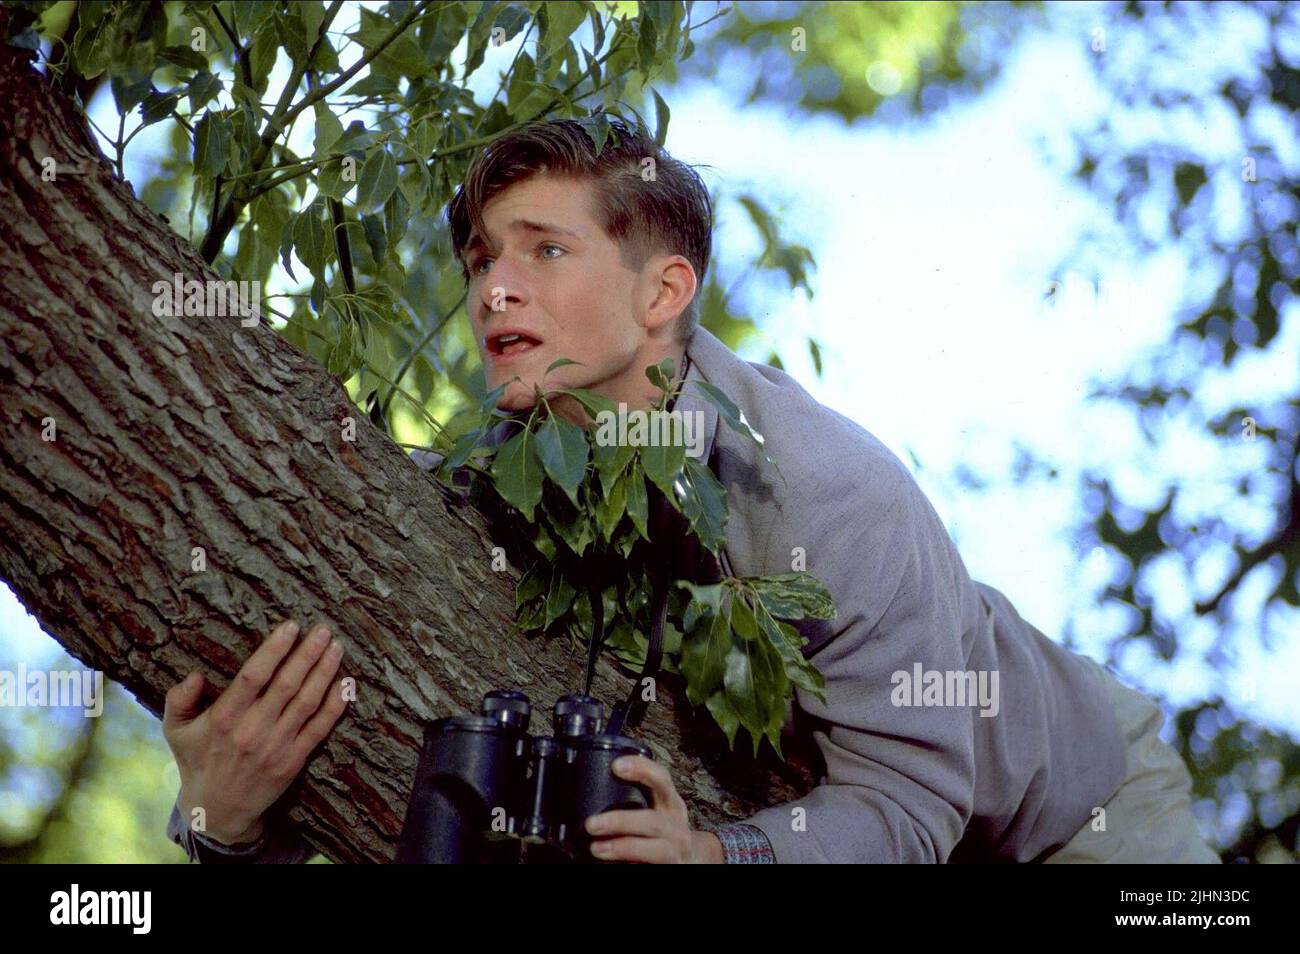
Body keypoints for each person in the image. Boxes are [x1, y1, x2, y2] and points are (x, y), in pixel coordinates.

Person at [164, 117, 1219, 864]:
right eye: (482, 258)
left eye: (545, 249)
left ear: (663, 290)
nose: (493, 287)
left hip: (1069, 822)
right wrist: (224, 831)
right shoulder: (480, 493)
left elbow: (910, 804)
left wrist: (717, 857)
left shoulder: (825, 489)